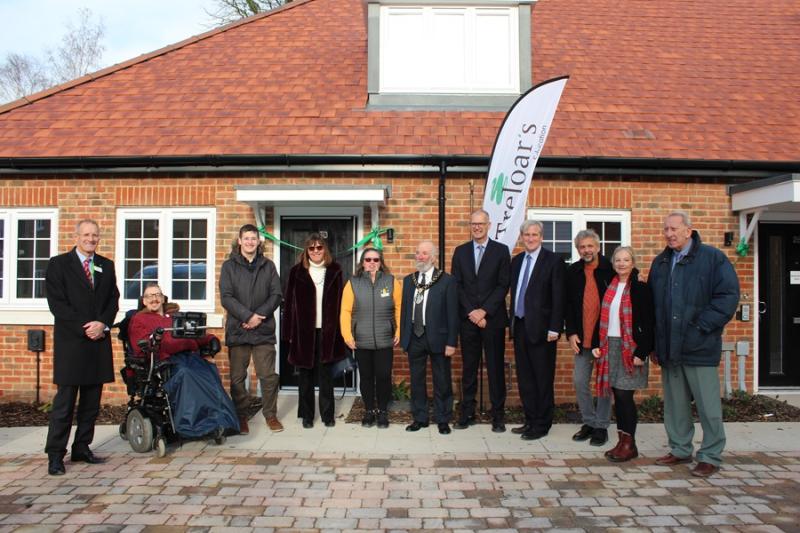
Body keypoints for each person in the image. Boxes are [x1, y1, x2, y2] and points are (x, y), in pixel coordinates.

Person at [648, 211, 739, 478]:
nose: (669, 234)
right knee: (675, 405)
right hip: (669, 348)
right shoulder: (661, 262)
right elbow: (654, 307)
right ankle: (679, 448)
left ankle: (710, 454)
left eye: (674, 229)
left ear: (689, 230)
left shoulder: (712, 259)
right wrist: (655, 343)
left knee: (708, 406)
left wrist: (701, 327)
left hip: (699, 346)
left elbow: (727, 296)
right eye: (666, 229)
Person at [44, 219, 120, 476]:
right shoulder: (59, 265)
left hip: (98, 343)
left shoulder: (106, 266)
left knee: (91, 402)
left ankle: (82, 447)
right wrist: (84, 327)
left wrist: (102, 324)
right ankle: (55, 454)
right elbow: (57, 304)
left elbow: (113, 299)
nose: (91, 239)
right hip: (72, 344)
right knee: (64, 404)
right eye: (86, 234)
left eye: (95, 235)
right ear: (76, 236)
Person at [128, 284, 238, 438]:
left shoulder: (175, 316)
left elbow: (196, 333)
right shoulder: (139, 319)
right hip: (166, 361)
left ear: (163, 298)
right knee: (186, 374)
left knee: (209, 372)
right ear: (144, 301)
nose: (154, 299)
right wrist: (154, 338)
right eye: (150, 296)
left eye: (157, 295)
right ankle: (195, 426)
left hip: (190, 357)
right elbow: (139, 345)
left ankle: (223, 422)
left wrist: (211, 339)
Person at [591, 246, 654, 462]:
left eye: (626, 260)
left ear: (633, 263)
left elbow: (648, 322)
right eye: (618, 260)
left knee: (625, 395)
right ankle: (621, 441)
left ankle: (630, 444)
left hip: (631, 348)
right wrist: (598, 344)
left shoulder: (640, 288)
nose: (621, 263)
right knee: (617, 396)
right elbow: (601, 318)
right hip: (610, 346)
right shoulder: (609, 286)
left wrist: (642, 352)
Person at [220, 224, 284, 435]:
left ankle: (270, 415)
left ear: (259, 242)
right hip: (238, 329)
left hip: (263, 329)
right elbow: (226, 297)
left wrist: (258, 317)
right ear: (239, 241)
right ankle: (241, 416)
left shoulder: (269, 266)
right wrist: (247, 316)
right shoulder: (229, 266)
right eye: (246, 238)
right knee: (238, 377)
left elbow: (276, 295)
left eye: (253, 239)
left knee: (268, 376)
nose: (249, 242)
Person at [450, 209, 510, 432]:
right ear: (470, 225)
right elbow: (457, 285)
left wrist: (484, 311)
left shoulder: (501, 251)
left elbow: (503, 284)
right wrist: (472, 313)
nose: (477, 227)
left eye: (481, 224)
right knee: (469, 368)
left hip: (492, 320)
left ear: (489, 225)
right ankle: (467, 413)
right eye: (473, 224)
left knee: (495, 369)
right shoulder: (461, 251)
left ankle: (498, 416)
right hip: (467, 321)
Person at [509, 220, 566, 441]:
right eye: (527, 234)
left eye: (534, 234)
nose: (530, 238)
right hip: (520, 326)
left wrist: (555, 327)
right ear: (522, 237)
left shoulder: (553, 261)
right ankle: (530, 419)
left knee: (542, 378)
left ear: (541, 237)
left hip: (543, 330)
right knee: (525, 378)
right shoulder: (517, 261)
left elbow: (559, 296)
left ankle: (542, 424)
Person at [283, 233, 346, 428]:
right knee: (305, 376)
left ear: (324, 249)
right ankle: (307, 415)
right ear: (306, 251)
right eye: (312, 248)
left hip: (328, 332)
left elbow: (342, 304)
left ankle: (328, 415)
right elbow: (289, 305)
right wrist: (289, 334)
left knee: (326, 375)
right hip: (303, 333)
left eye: (319, 247)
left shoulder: (335, 270)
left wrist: (340, 332)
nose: (316, 251)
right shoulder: (296, 272)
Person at [400, 240, 459, 435]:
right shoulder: (410, 280)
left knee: (441, 379)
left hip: (438, 338)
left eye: (425, 253)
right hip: (415, 336)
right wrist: (404, 337)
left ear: (433, 257)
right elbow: (405, 311)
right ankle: (420, 418)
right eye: (418, 253)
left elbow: (452, 314)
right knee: (417, 380)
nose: (420, 257)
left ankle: (443, 419)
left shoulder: (447, 281)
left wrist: (451, 342)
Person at [340, 247, 402, 428]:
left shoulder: (391, 282)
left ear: (381, 262)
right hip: (361, 339)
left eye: (375, 260)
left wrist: (398, 332)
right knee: (366, 377)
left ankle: (382, 411)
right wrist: (347, 335)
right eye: (368, 260)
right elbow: (345, 311)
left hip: (385, 339)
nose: (372, 263)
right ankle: (368, 411)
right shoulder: (353, 283)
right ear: (363, 263)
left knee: (383, 376)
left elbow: (399, 308)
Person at [564, 229, 615, 446]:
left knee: (604, 384)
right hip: (582, 337)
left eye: (590, 246)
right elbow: (568, 305)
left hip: (604, 338)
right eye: (582, 247)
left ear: (598, 247)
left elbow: (629, 279)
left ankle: (601, 426)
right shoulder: (573, 271)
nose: (586, 250)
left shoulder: (610, 269)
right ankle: (589, 422)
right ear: (578, 249)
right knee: (579, 380)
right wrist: (571, 332)